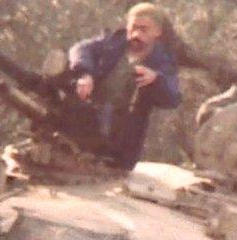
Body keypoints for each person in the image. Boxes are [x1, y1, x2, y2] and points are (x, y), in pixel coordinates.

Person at [68, 3, 182, 170]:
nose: (136, 34)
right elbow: (80, 49)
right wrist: (85, 74)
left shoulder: (163, 61)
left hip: (122, 144)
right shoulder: (114, 43)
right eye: (133, 28)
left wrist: (156, 80)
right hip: (88, 121)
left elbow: (173, 98)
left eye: (144, 29)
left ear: (157, 32)